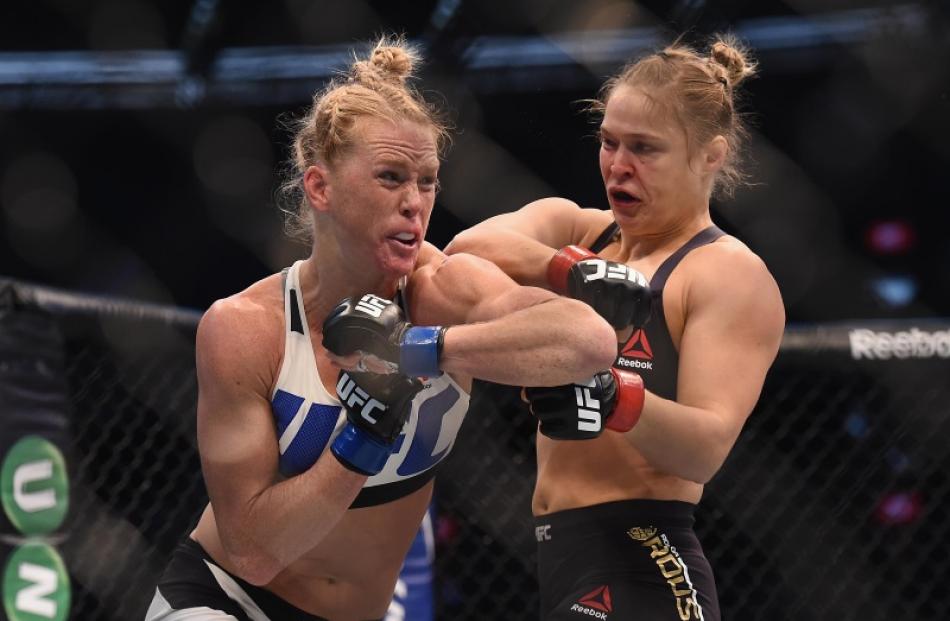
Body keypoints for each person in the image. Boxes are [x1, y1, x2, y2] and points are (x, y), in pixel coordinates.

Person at [144, 37, 620, 621]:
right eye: (391, 177)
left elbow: (589, 340)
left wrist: (422, 351)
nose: (414, 204)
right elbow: (251, 553)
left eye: (427, 181)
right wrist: (362, 438)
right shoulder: (244, 329)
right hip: (229, 598)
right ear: (320, 188)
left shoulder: (443, 292)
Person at [447, 35, 786, 620]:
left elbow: (705, 449)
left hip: (644, 557)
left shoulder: (725, 273)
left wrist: (609, 396)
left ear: (710, 156)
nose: (618, 165)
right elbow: (463, 250)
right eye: (609, 142)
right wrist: (569, 267)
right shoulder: (580, 229)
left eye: (645, 149)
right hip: (559, 554)